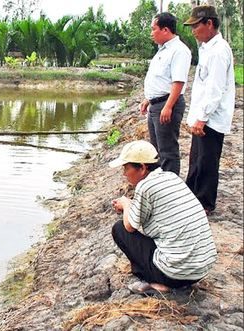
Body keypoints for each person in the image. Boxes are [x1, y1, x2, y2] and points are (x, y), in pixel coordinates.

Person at [110, 140, 217, 294]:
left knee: (119, 229)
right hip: (201, 269)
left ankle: (159, 282)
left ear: (142, 167)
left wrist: (126, 204)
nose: (124, 174)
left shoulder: (145, 186)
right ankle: (170, 279)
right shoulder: (171, 177)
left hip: (176, 274)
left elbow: (130, 226)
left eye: (126, 168)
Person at [183, 5, 235, 213]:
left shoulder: (219, 51)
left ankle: (205, 203)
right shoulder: (207, 49)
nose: (193, 31)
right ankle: (193, 197)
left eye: (196, 25)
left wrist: (202, 117)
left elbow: (215, 88)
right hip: (203, 115)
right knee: (196, 159)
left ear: (209, 24)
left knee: (207, 161)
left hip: (211, 117)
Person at [139, 12, 192, 175]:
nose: (151, 33)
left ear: (165, 30)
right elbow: (161, 80)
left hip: (167, 104)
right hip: (157, 105)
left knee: (167, 151)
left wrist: (168, 106)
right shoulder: (162, 50)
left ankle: (171, 188)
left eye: (153, 29)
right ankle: (159, 187)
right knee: (156, 151)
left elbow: (178, 81)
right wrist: (148, 99)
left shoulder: (179, 51)